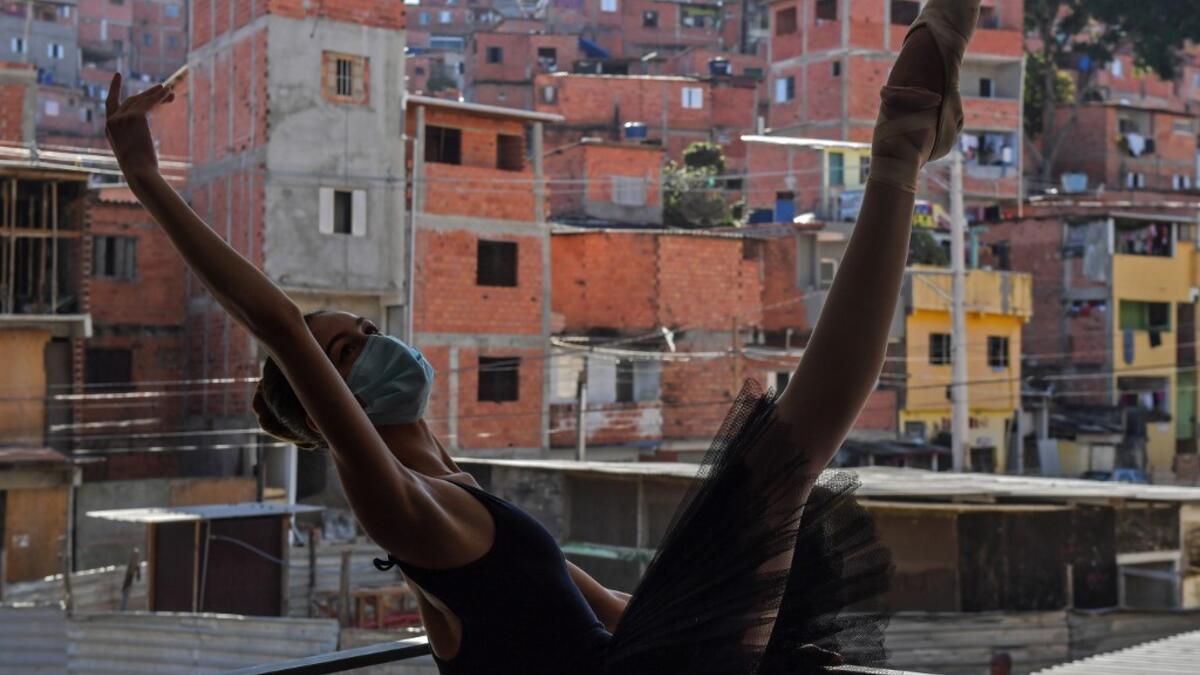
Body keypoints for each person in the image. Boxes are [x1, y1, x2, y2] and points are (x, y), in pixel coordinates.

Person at [103, 0, 981, 671]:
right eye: (347, 347)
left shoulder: (459, 487)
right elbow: (279, 324)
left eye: (367, 326)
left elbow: (599, 609)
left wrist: (714, 613)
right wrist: (146, 177)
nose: (377, 340)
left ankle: (903, 139)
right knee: (787, 450)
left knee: (786, 455)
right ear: (335, 405)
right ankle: (901, 145)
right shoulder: (399, 504)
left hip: (643, 658)